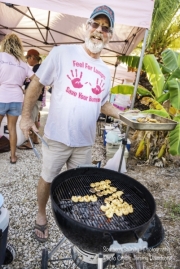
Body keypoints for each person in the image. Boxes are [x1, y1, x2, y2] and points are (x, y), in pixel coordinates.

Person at [20, 5, 123, 242]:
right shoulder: (62, 53)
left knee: (78, 184)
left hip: (84, 142)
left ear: (110, 35)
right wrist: (26, 117)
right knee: (47, 177)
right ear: (87, 27)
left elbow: (103, 103)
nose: (99, 31)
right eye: (95, 25)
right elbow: (37, 83)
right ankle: (41, 214)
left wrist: (124, 116)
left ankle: (74, 217)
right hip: (57, 136)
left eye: (105, 28)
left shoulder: (106, 72)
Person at [0, 33, 34, 164]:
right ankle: (13, 157)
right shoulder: (23, 63)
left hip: (1, 96)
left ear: (6, 44)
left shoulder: (1, 57)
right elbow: (36, 79)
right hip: (17, 98)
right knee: (12, 128)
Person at [18, 49, 45, 149]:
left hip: (34, 97)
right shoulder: (39, 67)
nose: (27, 61)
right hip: (38, 98)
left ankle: (30, 143)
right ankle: (35, 139)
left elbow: (34, 84)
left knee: (31, 118)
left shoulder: (37, 68)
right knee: (35, 118)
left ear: (32, 58)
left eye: (28, 58)